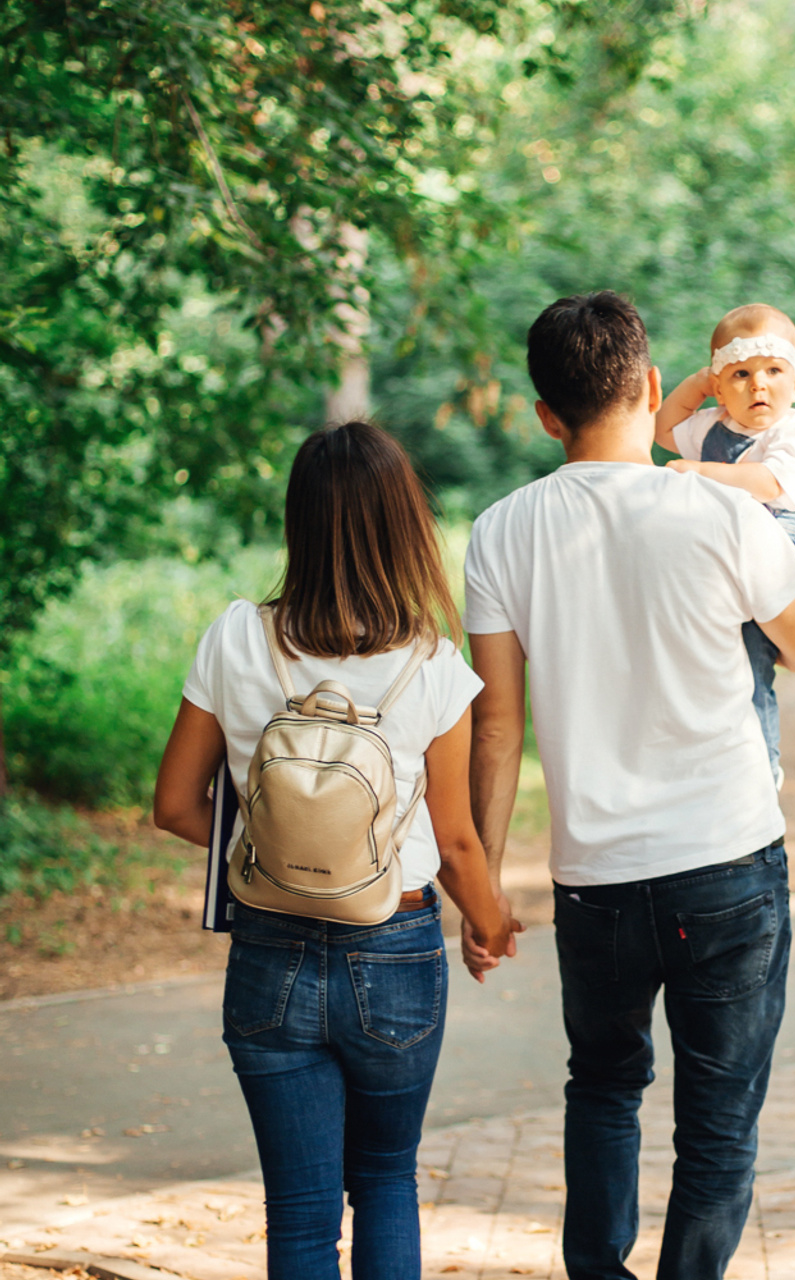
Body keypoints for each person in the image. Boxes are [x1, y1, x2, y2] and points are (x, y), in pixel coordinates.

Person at [462, 292, 795, 1280]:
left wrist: (483, 884)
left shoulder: (499, 532)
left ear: (545, 413)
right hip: (726, 863)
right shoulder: (721, 509)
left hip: (593, 875)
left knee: (602, 1083)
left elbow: (498, 725)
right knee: (717, 1117)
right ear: (651, 385)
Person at [153, 421, 515, 1280]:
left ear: (299, 521)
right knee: (386, 1179)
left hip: (269, 946)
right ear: (403, 525)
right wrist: (492, 925)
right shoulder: (433, 663)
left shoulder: (236, 636)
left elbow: (174, 805)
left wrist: (267, 850)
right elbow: (458, 841)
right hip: (394, 941)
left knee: (301, 1211)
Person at [654, 303, 795, 786]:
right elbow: (662, 429)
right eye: (740, 374)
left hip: (764, 577)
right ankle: (697, 761)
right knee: (700, 668)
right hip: (708, 568)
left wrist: (699, 471)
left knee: (751, 671)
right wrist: (695, 384)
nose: (758, 385)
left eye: (774, 371)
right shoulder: (713, 424)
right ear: (718, 386)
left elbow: (770, 483)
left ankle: (762, 766)